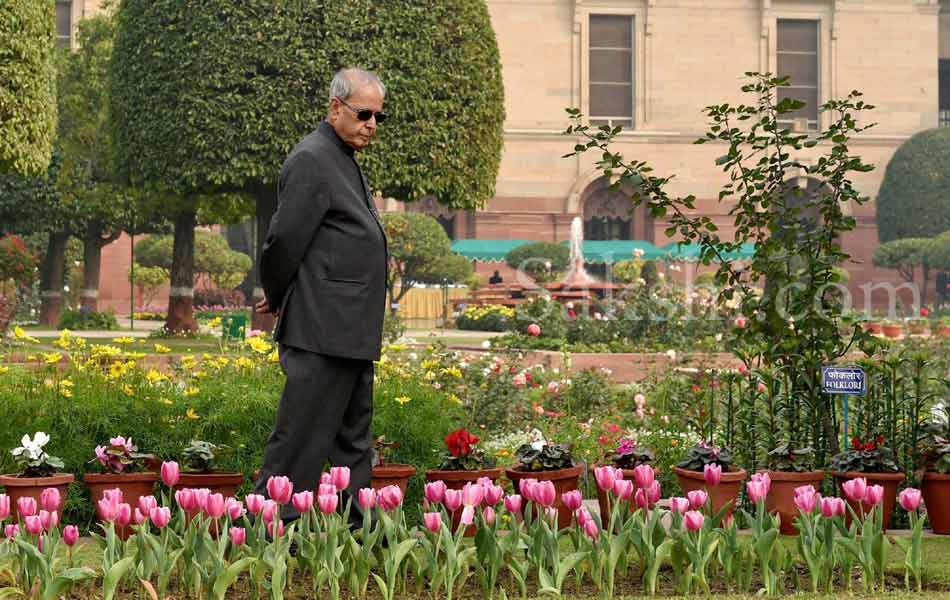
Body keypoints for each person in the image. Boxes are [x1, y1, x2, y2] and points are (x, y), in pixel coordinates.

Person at [254, 68, 389, 526]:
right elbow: (284, 243)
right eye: (363, 113)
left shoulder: (343, 157)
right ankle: (270, 527)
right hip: (321, 328)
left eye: (378, 117)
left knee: (354, 440)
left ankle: (359, 528)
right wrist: (275, 295)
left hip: (349, 330)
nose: (371, 124)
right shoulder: (313, 158)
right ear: (336, 108)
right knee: (301, 438)